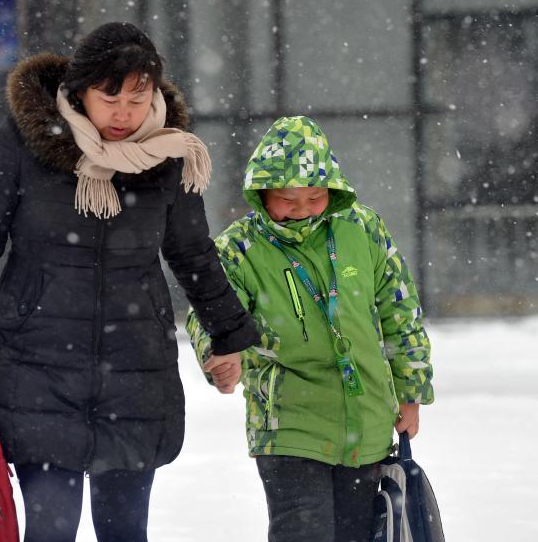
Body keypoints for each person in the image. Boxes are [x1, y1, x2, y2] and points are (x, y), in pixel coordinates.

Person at [0, 22, 257, 542]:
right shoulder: (21, 147)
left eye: (137, 98)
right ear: (79, 92)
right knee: (52, 528)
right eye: (109, 95)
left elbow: (193, 255)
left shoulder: (169, 156)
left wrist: (228, 337)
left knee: (125, 531)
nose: (123, 112)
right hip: (36, 367)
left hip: (135, 370)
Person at [186, 116, 434, 542]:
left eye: (315, 197)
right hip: (288, 422)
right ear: (261, 193)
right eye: (287, 199)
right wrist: (218, 352)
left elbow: (401, 311)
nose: (301, 209)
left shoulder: (362, 228)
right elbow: (209, 312)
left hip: (366, 420)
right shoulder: (239, 248)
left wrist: (411, 391)